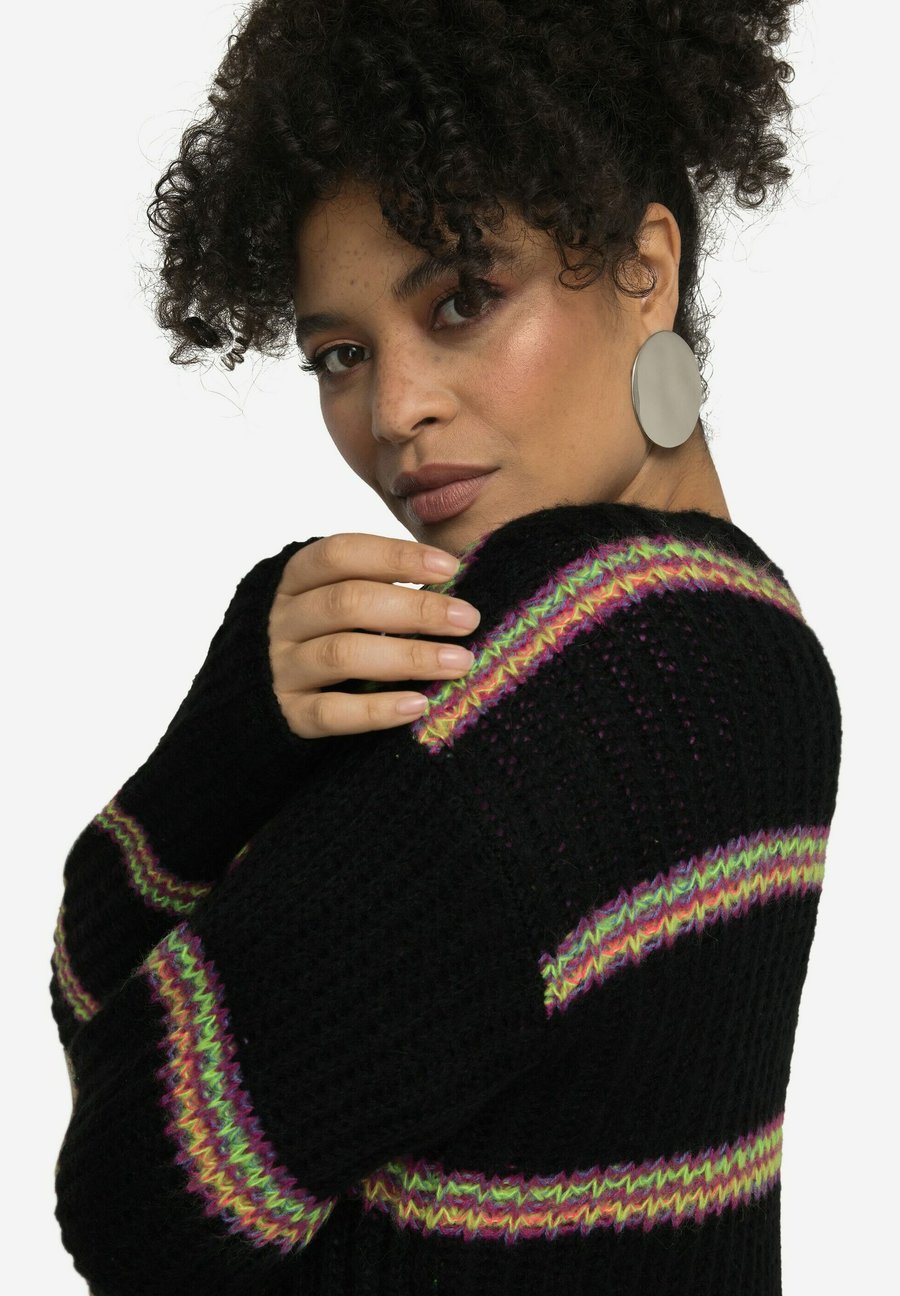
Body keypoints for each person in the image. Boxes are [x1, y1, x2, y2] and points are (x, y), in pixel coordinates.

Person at [51, 1, 843, 1293]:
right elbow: (110, 1031)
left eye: (464, 299)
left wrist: (227, 742)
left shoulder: (589, 657)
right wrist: (242, 723)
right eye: (340, 354)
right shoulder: (754, 639)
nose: (395, 409)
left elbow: (135, 1184)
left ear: (646, 268)